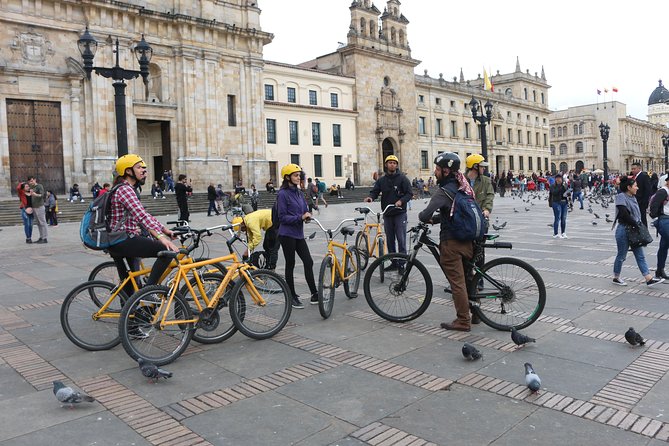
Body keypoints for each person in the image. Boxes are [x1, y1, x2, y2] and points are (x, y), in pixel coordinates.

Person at [418, 153, 475, 332]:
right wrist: (436, 220)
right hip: (467, 240)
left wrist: (426, 218)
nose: (435, 172)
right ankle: (477, 314)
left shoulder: (444, 191)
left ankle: (463, 320)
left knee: (457, 283)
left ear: (446, 170)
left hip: (452, 243)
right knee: (468, 279)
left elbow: (424, 214)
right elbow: (452, 213)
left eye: (436, 168)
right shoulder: (461, 186)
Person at [276, 163, 318, 309]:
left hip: (298, 234)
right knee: (290, 264)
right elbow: (282, 217)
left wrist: (307, 216)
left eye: (299, 175)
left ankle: (314, 294)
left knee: (309, 261)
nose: (298, 177)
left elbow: (304, 209)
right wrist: (300, 218)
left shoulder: (299, 193)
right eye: (295, 175)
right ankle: (292, 296)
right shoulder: (282, 194)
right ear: (287, 177)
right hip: (287, 234)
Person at [612, 176, 663, 287]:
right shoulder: (621, 196)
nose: (637, 188)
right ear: (629, 187)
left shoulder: (633, 197)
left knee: (640, 255)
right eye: (635, 186)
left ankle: (648, 278)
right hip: (624, 229)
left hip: (634, 229)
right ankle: (616, 277)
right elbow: (623, 214)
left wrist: (637, 224)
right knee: (621, 255)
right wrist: (636, 224)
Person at [365, 155, 413, 270]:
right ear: (386, 165)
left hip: (400, 213)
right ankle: (394, 263)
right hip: (387, 213)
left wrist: (401, 201)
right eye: (390, 162)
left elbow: (409, 193)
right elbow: (375, 191)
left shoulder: (402, 178)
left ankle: (402, 264)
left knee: (401, 239)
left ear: (396, 165)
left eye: (394, 163)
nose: (392, 164)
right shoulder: (382, 180)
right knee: (390, 240)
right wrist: (371, 197)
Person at [651, 174, 669, 280]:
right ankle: (659, 270)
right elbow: (654, 205)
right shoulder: (663, 191)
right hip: (664, 220)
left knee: (664, 245)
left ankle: (659, 270)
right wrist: (656, 219)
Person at [548, 174, 569, 239]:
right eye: (557, 178)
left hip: (564, 203)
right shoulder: (552, 186)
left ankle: (563, 233)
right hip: (556, 202)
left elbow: (567, 193)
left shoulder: (564, 185)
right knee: (557, 218)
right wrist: (560, 187)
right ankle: (555, 233)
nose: (559, 179)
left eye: (560, 178)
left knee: (564, 218)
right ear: (556, 179)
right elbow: (554, 193)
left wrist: (568, 193)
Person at [28, 176, 48, 244]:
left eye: (32, 181)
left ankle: (45, 238)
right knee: (38, 223)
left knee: (43, 222)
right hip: (34, 207)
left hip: (40, 206)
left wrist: (35, 194)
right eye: (30, 181)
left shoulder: (39, 186)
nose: (31, 182)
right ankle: (41, 237)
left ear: (35, 180)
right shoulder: (31, 187)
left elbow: (42, 195)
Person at [631, 162, 652, 227]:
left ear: (639, 168)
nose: (632, 170)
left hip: (641, 201)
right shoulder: (636, 176)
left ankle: (645, 232)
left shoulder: (644, 176)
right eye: (632, 169)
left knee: (642, 218)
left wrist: (644, 202)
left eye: (634, 169)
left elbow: (648, 190)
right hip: (637, 201)